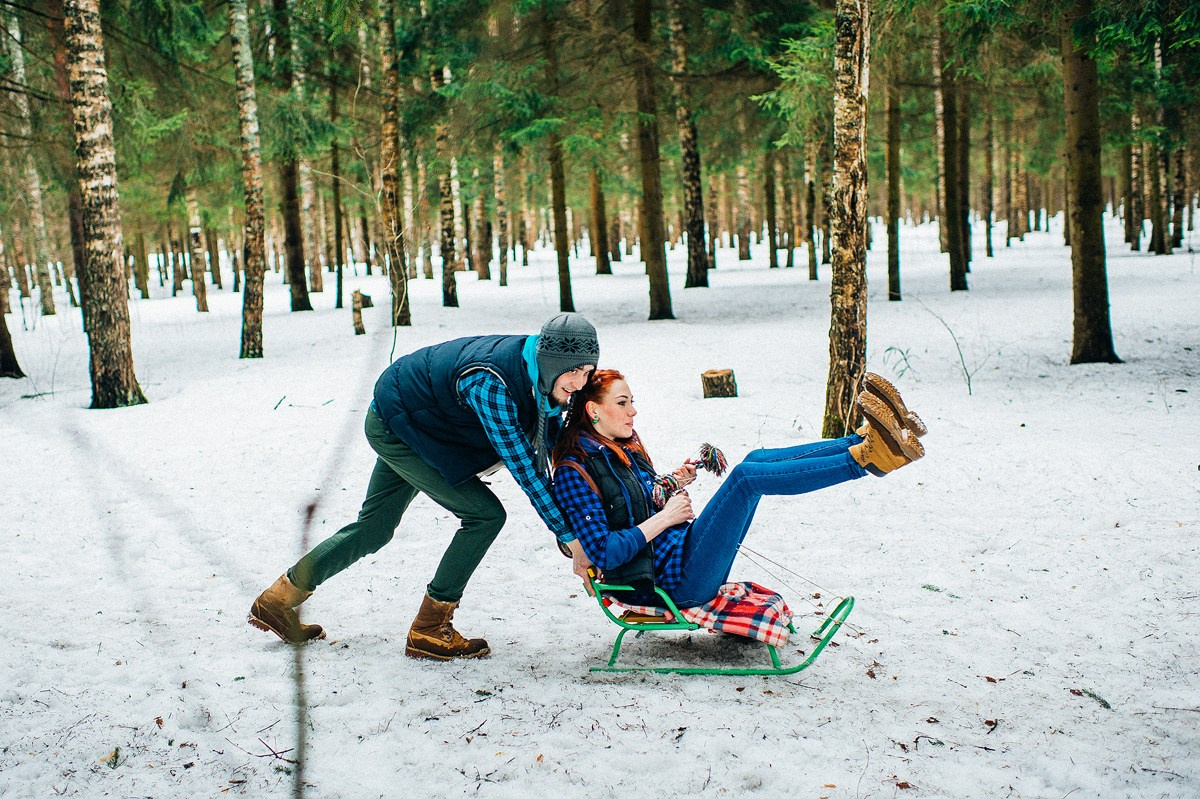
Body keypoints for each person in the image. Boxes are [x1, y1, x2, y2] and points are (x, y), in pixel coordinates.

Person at [250, 313, 600, 659]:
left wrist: (573, 523)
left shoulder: (545, 376)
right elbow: (525, 468)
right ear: (550, 361)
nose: (580, 383)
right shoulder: (491, 381)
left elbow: (549, 447)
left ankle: (277, 600)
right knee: (485, 516)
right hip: (400, 427)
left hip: (420, 420)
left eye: (587, 372)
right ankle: (431, 628)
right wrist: (569, 536)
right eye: (573, 372)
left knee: (374, 529)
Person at [551, 369, 926, 609]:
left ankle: (863, 440)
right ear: (593, 412)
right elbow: (604, 551)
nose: (633, 412)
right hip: (673, 583)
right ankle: (864, 460)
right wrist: (665, 519)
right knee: (746, 478)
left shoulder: (618, 447)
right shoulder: (574, 472)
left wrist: (672, 483)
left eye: (632, 402)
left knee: (756, 457)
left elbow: (636, 500)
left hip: (680, 552)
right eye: (622, 403)